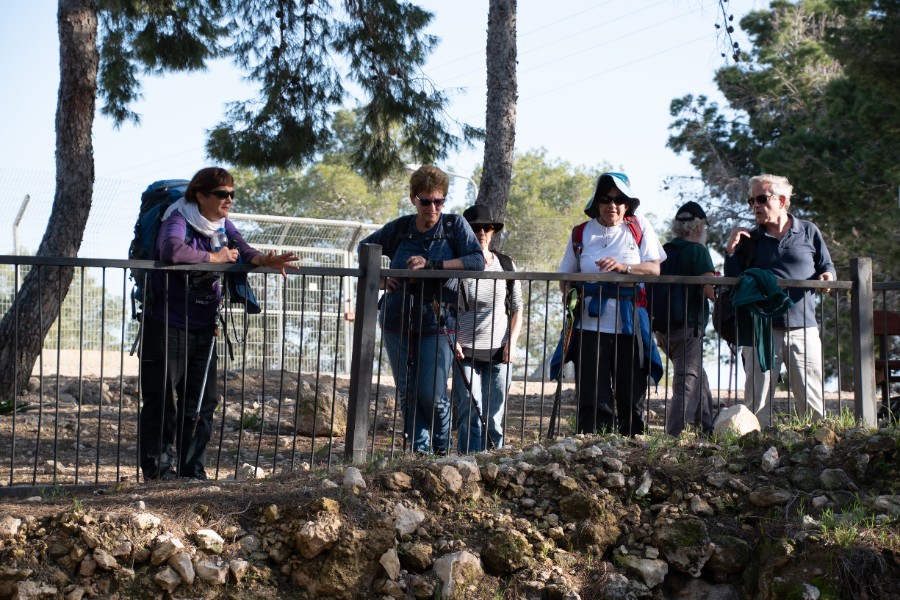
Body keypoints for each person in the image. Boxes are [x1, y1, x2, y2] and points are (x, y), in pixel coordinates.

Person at [139, 167, 298, 481]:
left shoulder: (222, 225)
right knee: (161, 399)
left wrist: (266, 260)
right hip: (166, 323)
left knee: (201, 401)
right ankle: (159, 471)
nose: (229, 199)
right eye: (222, 194)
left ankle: (191, 470)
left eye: (232, 193)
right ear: (200, 195)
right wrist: (214, 258)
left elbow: (242, 249)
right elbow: (170, 249)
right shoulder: (177, 218)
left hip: (204, 325)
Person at [360, 166, 484, 454]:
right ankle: (419, 451)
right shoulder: (401, 228)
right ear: (414, 199)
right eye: (426, 201)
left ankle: (440, 451)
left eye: (439, 201)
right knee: (407, 389)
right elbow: (365, 249)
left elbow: (476, 260)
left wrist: (433, 266)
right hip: (396, 319)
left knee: (433, 392)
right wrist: (381, 278)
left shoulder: (454, 226)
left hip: (438, 321)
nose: (433, 207)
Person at [557, 172, 665, 436]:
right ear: (597, 201)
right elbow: (565, 275)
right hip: (589, 326)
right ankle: (593, 450)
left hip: (631, 327)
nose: (612, 205)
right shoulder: (580, 233)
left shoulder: (639, 227)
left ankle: (633, 451)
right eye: (606, 198)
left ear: (627, 204)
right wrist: (569, 293)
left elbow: (654, 269)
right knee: (593, 396)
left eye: (619, 199)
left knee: (631, 396)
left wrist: (624, 268)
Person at [724, 174, 835, 425]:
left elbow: (826, 265)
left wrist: (828, 276)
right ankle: (751, 454)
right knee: (756, 403)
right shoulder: (749, 240)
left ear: (782, 200)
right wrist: (731, 250)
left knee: (812, 400)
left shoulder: (808, 231)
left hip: (803, 329)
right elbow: (732, 283)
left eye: (761, 198)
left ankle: (818, 449)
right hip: (760, 331)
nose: (755, 205)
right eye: (751, 200)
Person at [452, 205, 524, 452]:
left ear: (493, 231)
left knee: (494, 417)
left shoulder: (505, 263)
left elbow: (516, 307)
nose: (482, 232)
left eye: (487, 227)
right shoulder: (458, 264)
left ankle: (495, 463)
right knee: (470, 413)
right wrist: (454, 339)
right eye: (475, 228)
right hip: (465, 351)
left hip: (500, 351)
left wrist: (511, 344)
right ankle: (466, 464)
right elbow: (443, 303)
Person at [655, 201, 716, 436]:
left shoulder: (664, 250)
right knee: (687, 381)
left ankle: (707, 429)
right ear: (699, 227)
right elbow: (711, 290)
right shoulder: (698, 251)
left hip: (663, 329)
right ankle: (673, 436)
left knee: (697, 376)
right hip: (689, 325)